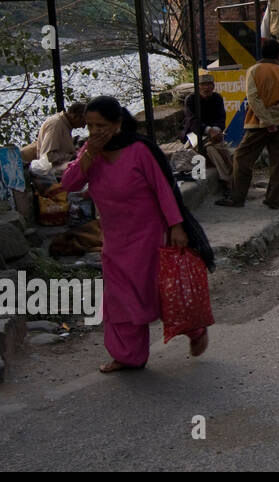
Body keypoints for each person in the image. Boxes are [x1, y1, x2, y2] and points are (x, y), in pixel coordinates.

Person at [51, 95, 210, 372]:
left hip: (148, 236)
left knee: (159, 294)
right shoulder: (90, 152)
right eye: (89, 126)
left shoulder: (139, 150)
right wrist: (90, 153)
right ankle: (128, 356)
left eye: (100, 125)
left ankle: (194, 329)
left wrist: (176, 226)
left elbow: (164, 190)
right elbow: (70, 182)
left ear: (117, 123)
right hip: (114, 239)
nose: (95, 132)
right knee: (119, 301)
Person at [217, 39, 279, 209]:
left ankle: (238, 197)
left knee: (242, 157)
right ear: (278, 54)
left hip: (257, 125)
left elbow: (253, 99)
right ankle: (274, 200)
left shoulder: (254, 71)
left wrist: (266, 119)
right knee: (278, 163)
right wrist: (274, 114)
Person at [182, 73, 234, 192]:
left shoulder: (217, 98)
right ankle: (228, 180)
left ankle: (228, 179)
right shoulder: (191, 99)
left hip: (213, 136)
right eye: (203, 85)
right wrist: (209, 130)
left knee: (215, 148)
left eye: (209, 84)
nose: (206, 88)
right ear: (198, 86)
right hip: (195, 137)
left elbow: (221, 119)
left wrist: (216, 130)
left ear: (213, 86)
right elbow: (192, 122)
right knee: (214, 148)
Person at [21, 102, 86, 170]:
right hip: (52, 171)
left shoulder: (65, 125)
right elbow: (47, 156)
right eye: (83, 122)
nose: (83, 127)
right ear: (74, 116)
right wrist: (71, 157)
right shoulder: (56, 125)